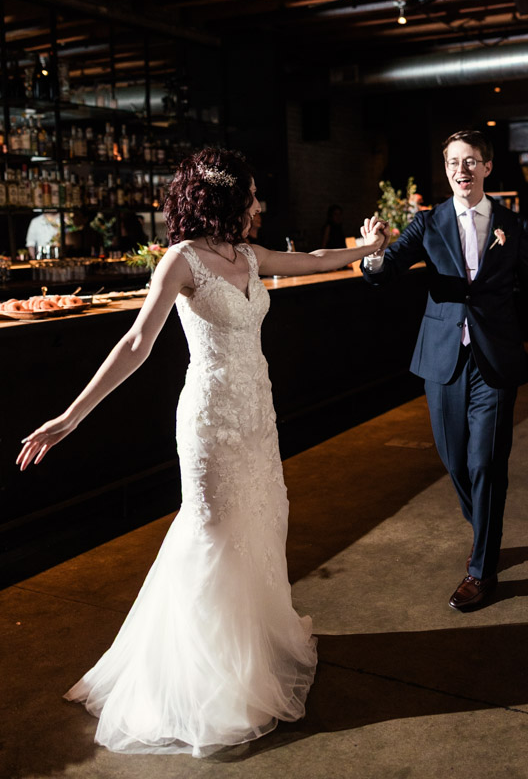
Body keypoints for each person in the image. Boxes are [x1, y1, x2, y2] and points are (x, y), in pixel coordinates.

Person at [17, 147, 386, 757]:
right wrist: (70, 416)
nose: (259, 205)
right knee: (212, 531)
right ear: (223, 200)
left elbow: (315, 259)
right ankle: (202, 680)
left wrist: (367, 250)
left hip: (256, 417)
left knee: (259, 522)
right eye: (250, 196)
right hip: (210, 420)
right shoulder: (180, 262)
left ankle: (252, 656)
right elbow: (137, 342)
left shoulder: (249, 255)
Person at [361, 130, 528, 611]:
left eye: (470, 161)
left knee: (487, 463)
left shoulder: (512, 225)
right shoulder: (428, 223)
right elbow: (386, 271)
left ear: (486, 167)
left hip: (495, 360)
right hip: (442, 360)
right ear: (446, 171)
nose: (461, 170)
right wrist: (373, 252)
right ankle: (486, 528)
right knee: (455, 461)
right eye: (452, 162)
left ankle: (481, 570)